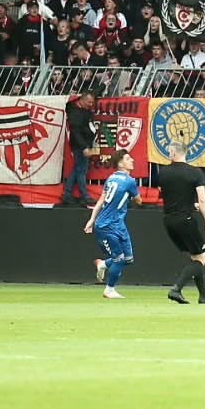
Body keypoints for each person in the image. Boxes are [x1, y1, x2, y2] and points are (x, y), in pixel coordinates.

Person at [159, 140, 205, 304]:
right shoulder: (195, 173)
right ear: (185, 153)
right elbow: (202, 199)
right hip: (185, 220)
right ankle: (176, 289)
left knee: (194, 256)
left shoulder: (163, 173)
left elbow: (170, 195)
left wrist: (190, 204)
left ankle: (203, 295)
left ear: (173, 153)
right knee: (200, 260)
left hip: (169, 220)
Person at [84, 148, 140, 299]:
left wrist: (91, 219)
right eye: (128, 159)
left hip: (118, 225)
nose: (132, 160)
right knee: (119, 259)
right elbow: (139, 200)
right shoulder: (129, 181)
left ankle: (102, 264)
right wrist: (132, 196)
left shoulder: (110, 179)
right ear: (120, 164)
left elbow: (101, 200)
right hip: (106, 226)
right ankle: (109, 290)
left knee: (128, 259)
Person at [61, 89, 98, 207]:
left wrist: (103, 84)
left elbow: (94, 92)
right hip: (80, 145)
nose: (91, 105)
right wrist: (84, 147)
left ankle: (67, 194)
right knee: (82, 170)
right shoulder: (74, 112)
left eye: (92, 102)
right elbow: (75, 132)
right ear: (82, 100)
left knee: (78, 169)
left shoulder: (82, 108)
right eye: (89, 102)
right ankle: (85, 196)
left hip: (84, 143)